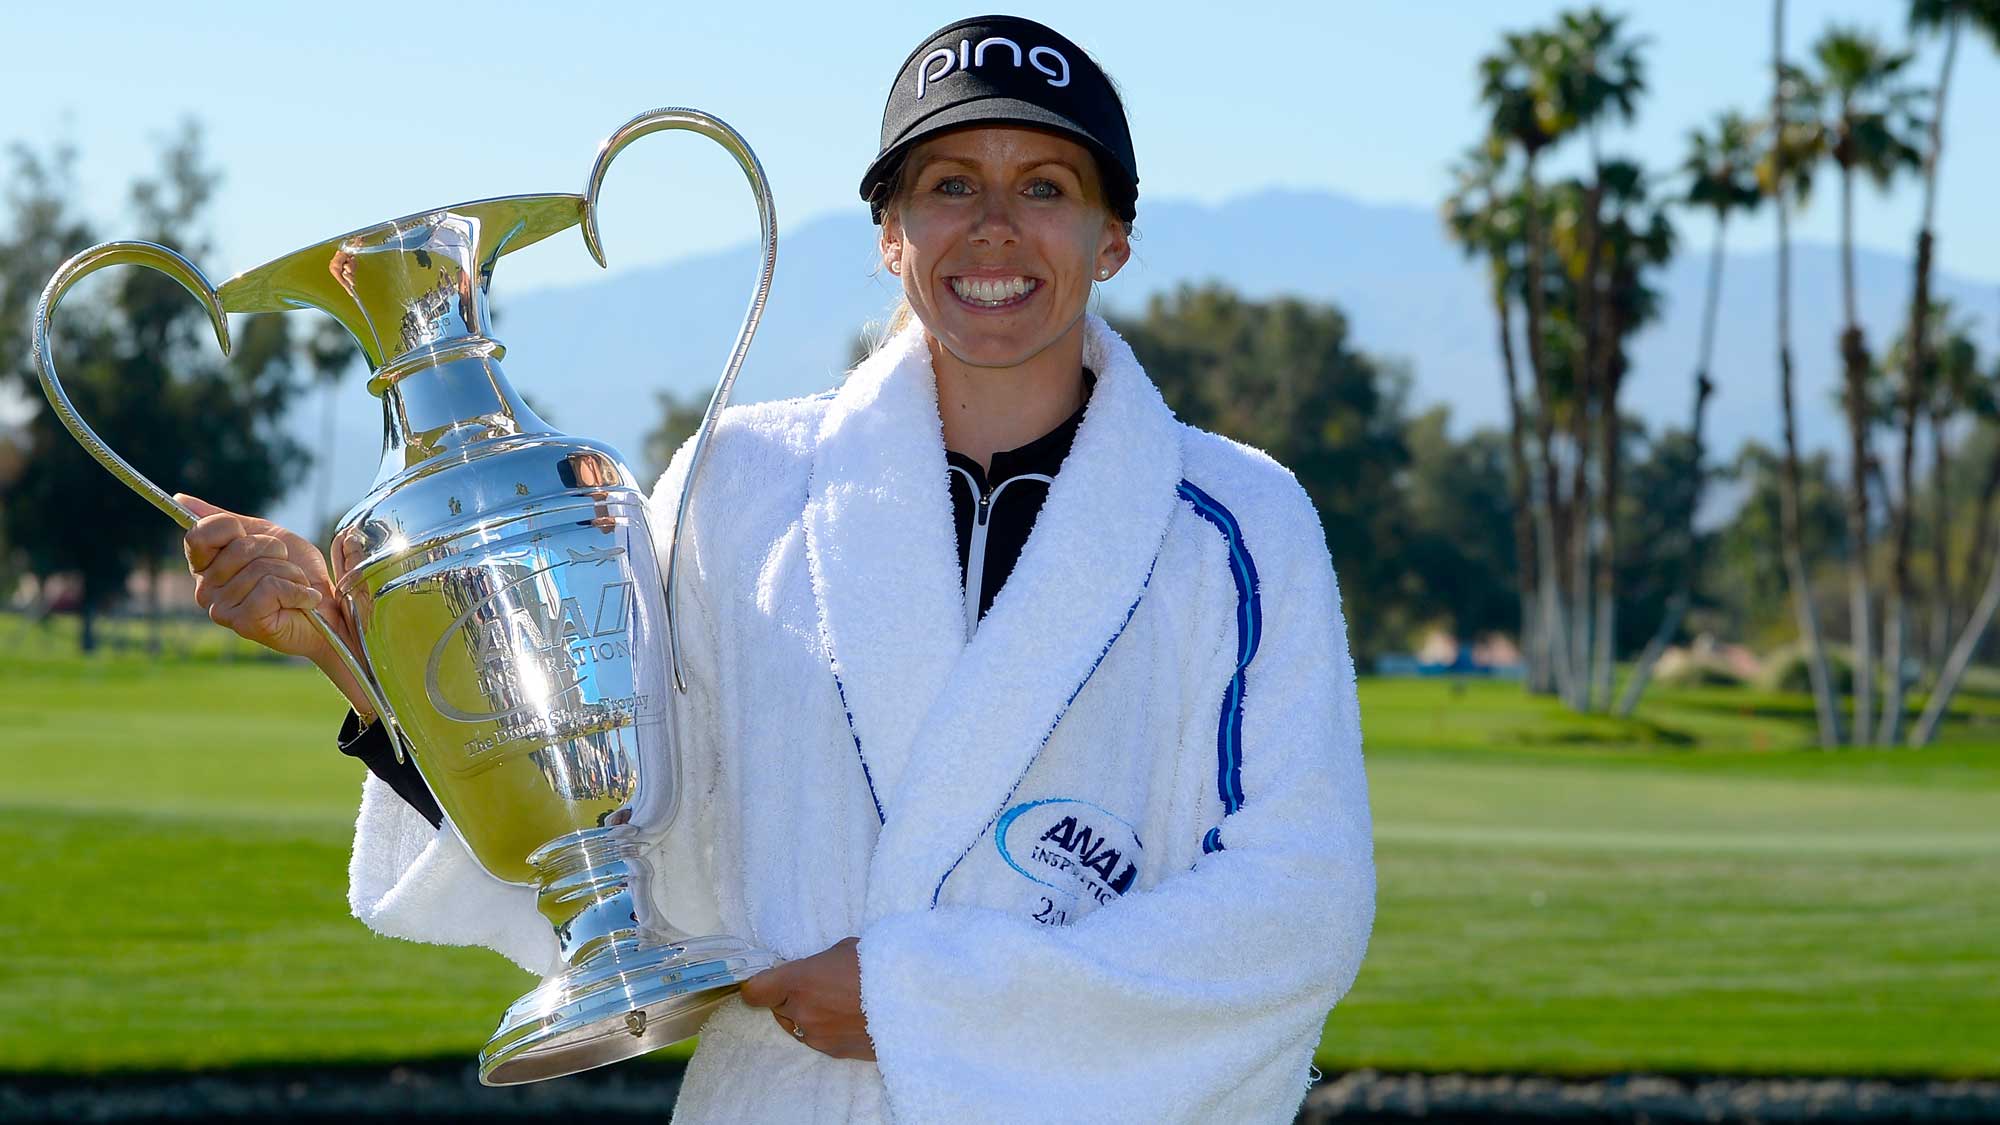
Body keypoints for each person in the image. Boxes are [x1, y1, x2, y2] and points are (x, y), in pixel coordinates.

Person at [180, 15, 1374, 1123]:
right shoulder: (742, 485)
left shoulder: (1237, 523)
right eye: (949, 185)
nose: (994, 226)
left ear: (1112, 236)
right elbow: (630, 836)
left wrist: (919, 1003)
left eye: (1044, 188)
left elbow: (1296, 908)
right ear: (888, 236)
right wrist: (350, 652)